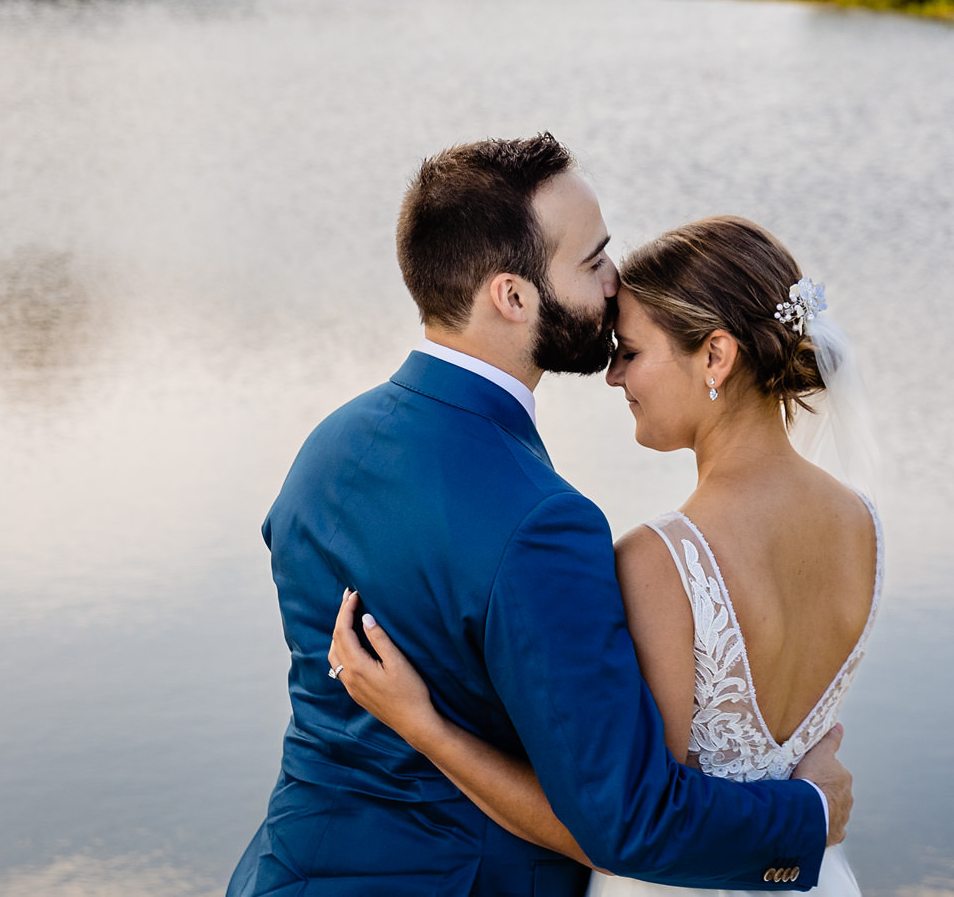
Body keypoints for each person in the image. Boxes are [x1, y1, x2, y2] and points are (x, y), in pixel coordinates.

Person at [229, 137, 850, 897]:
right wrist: (808, 816)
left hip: (285, 872)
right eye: (593, 261)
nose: (616, 281)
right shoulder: (542, 523)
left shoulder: (323, 452)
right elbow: (628, 819)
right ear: (513, 297)